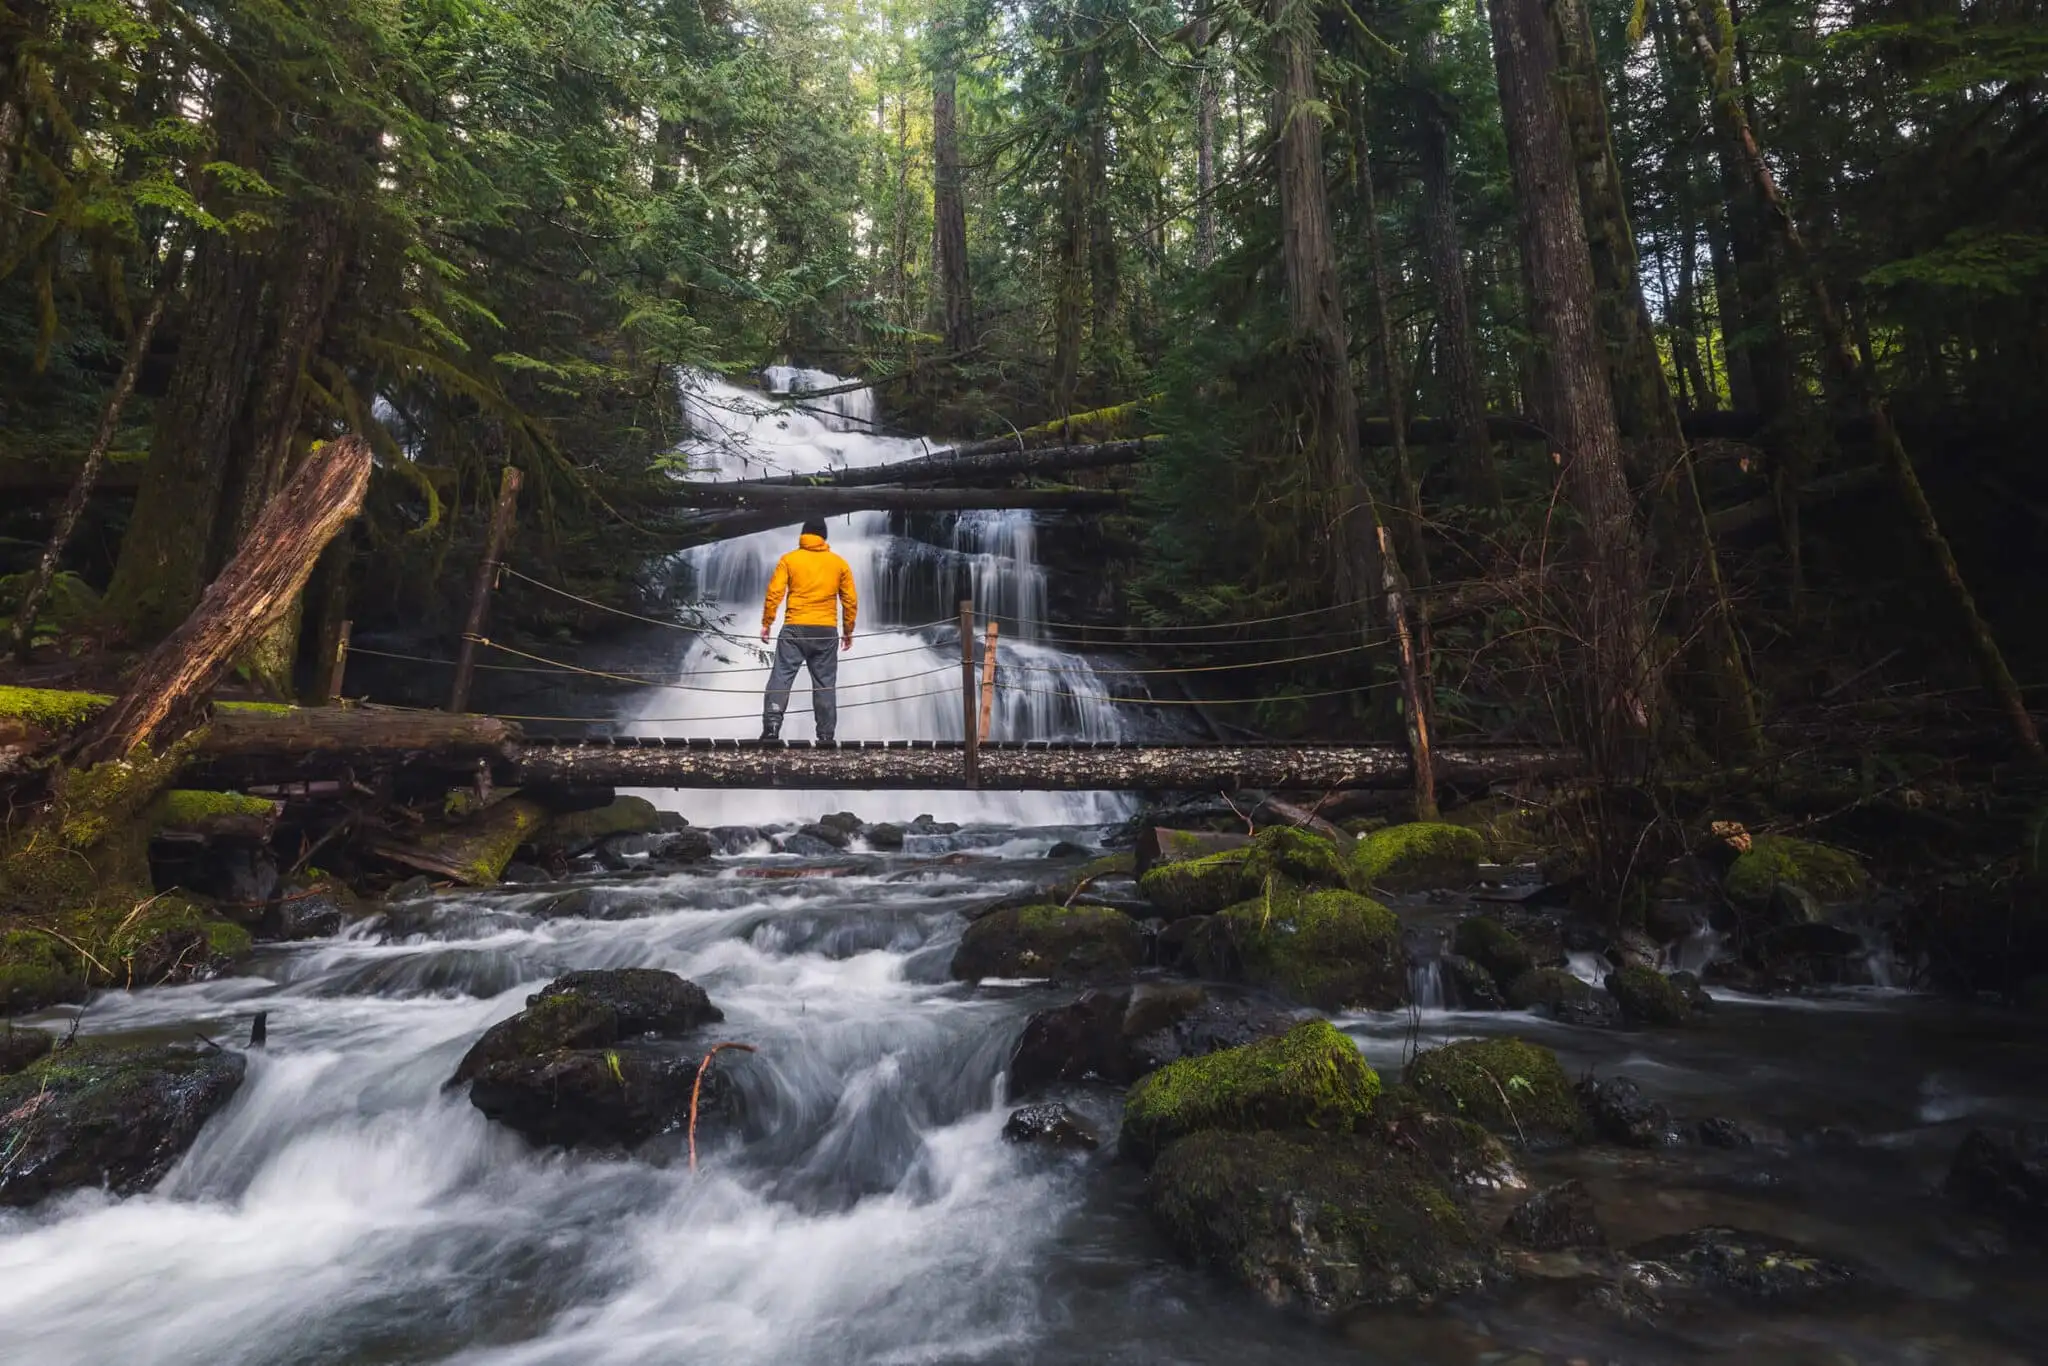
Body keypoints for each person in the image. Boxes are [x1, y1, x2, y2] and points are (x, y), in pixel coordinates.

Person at [759, 517, 858, 743]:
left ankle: (772, 727)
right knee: (824, 684)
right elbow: (850, 600)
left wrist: (767, 622)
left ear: (803, 534)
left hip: (794, 629)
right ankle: (825, 736)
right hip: (825, 631)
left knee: (781, 676)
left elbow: (775, 592)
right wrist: (848, 630)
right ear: (824, 537)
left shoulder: (789, 559)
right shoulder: (839, 563)